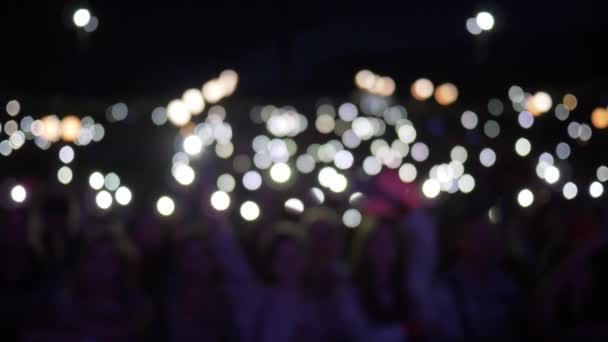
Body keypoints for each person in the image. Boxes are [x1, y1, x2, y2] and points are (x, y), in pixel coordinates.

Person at [425, 220, 521, 341]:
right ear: (462, 243)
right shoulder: (443, 289)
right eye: (479, 239)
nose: (486, 245)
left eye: (490, 239)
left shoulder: (508, 287)